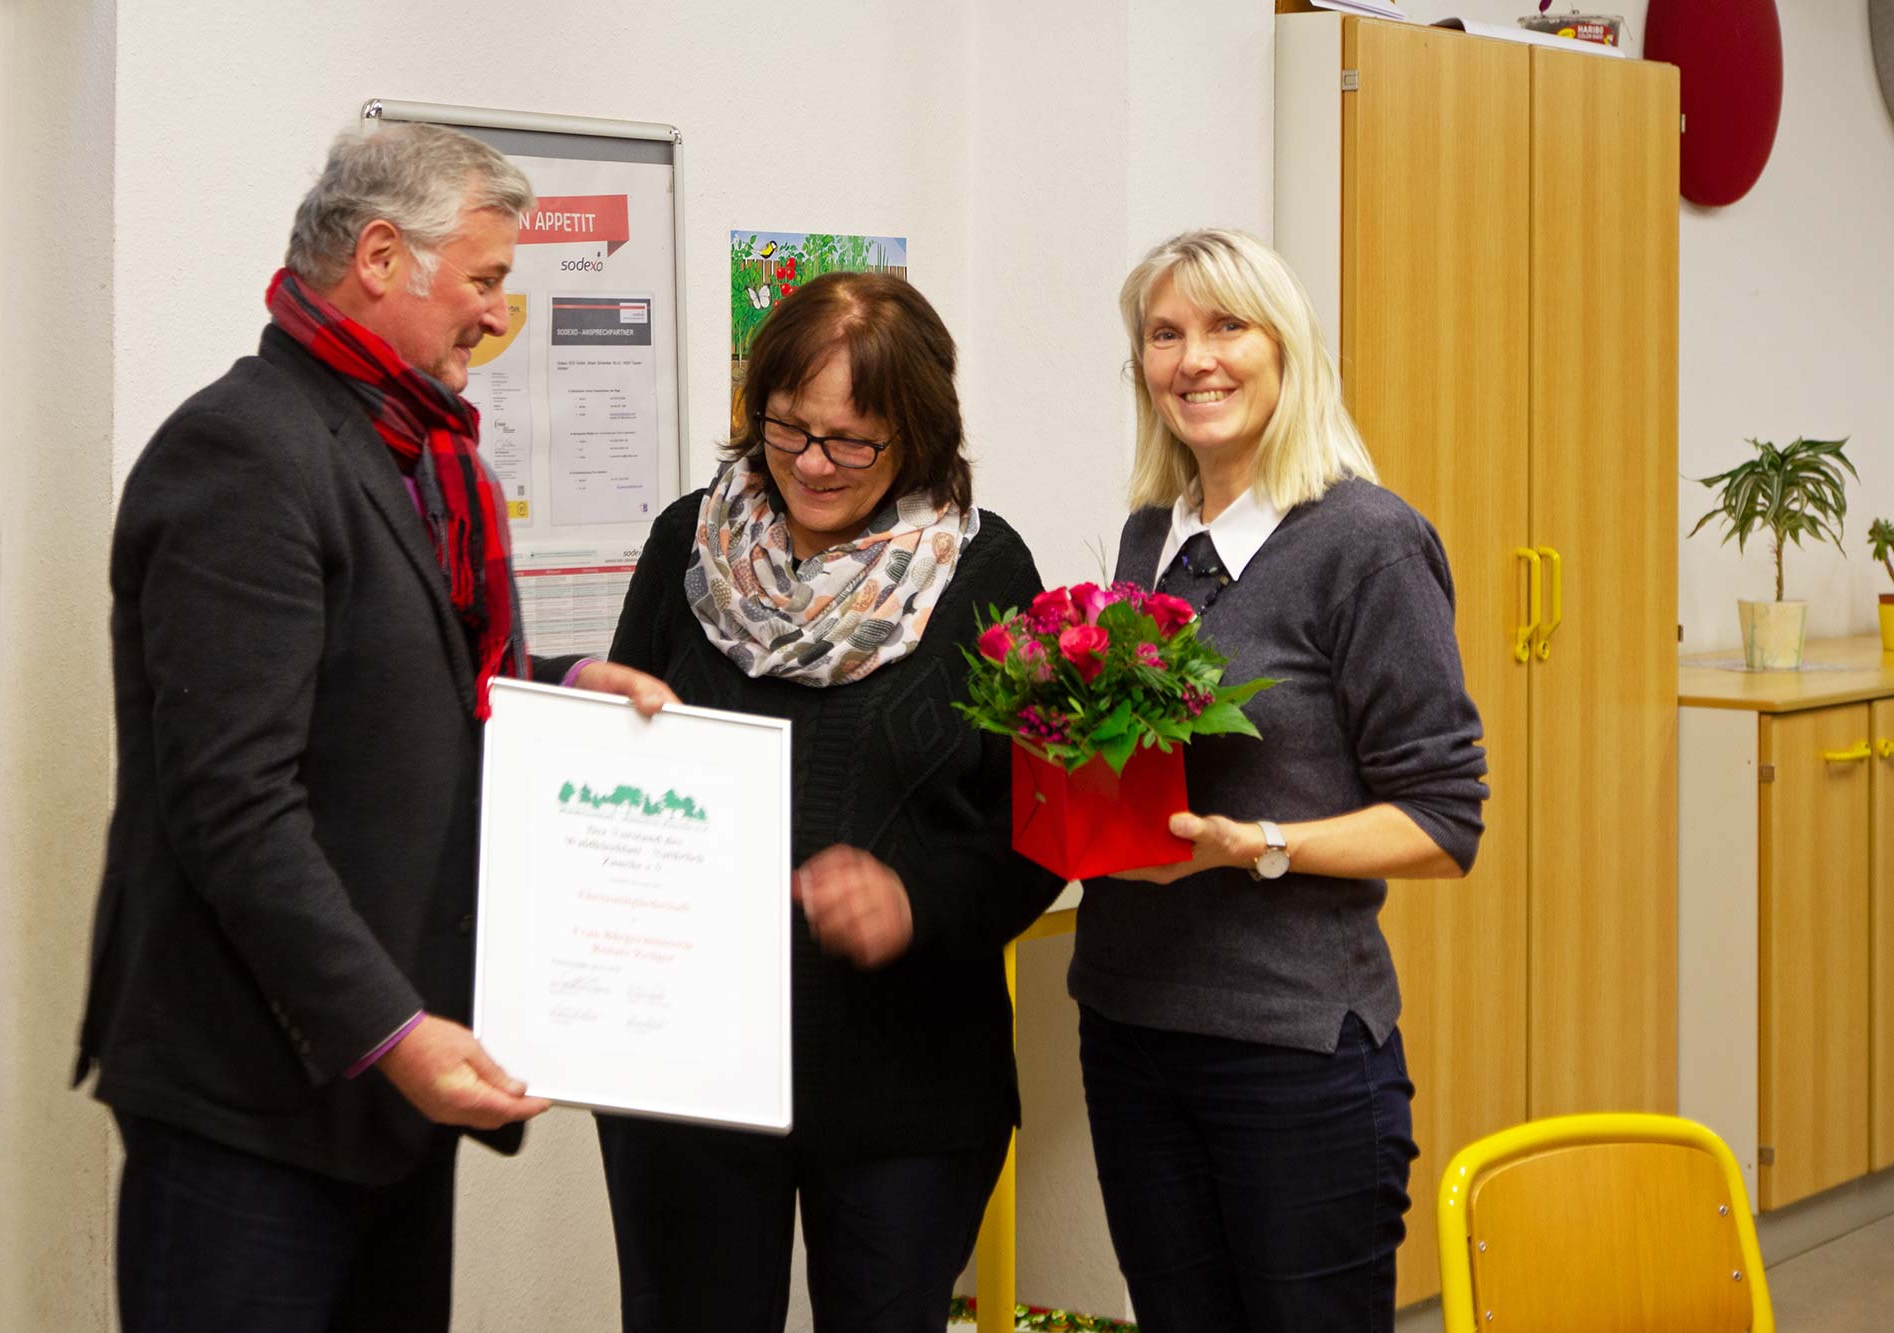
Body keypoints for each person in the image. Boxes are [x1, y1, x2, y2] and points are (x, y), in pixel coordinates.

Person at [74, 123, 674, 1333]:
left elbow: (404, 681)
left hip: (386, 1090)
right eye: (486, 281)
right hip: (260, 1091)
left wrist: (557, 683)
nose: (496, 320)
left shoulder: (408, 448)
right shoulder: (245, 450)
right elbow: (234, 802)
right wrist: (391, 1031)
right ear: (383, 256)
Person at [596, 270, 1062, 1332]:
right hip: (688, 1080)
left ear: (918, 433)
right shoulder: (685, 545)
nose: (810, 463)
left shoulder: (985, 576)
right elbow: (617, 769)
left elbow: (1040, 833)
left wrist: (917, 904)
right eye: (787, 428)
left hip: (906, 1088)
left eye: (851, 439)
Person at [1069, 228, 1489, 1330]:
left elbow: (1443, 821)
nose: (1192, 359)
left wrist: (1256, 844)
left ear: (1285, 349)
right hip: (1127, 1026)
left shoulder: (1367, 542)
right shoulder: (1147, 536)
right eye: (1163, 334)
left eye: (1224, 326)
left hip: (1291, 1051)